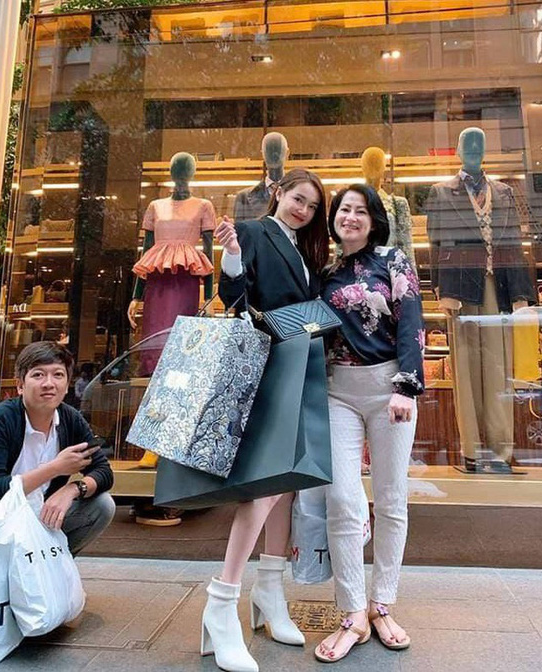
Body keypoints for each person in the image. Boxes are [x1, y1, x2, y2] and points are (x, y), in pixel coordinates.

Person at [203, 169, 330, 672]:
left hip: (300, 367)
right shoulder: (252, 231)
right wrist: (232, 254)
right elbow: (234, 298)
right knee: (264, 485)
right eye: (298, 199)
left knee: (288, 483)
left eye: (312, 206)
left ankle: (270, 589)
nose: (303, 210)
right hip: (268, 366)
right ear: (278, 193)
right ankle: (223, 599)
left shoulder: (305, 248)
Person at [314, 185, 424, 663]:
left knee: (392, 498)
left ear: (374, 219)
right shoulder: (325, 272)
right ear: (334, 219)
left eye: (361, 210)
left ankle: (382, 604)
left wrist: (406, 385)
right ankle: (353, 612)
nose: (351, 217)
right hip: (337, 390)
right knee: (341, 498)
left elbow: (411, 322)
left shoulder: (394, 261)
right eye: (344, 209)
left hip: (389, 388)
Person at [0, 341, 116, 590]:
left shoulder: (69, 419)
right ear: (20, 385)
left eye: (58, 375)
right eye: (38, 375)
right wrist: (55, 468)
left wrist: (72, 489)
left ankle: (47, 578)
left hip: (36, 516)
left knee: (102, 505)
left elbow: (103, 472)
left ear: (67, 385)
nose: (49, 383)